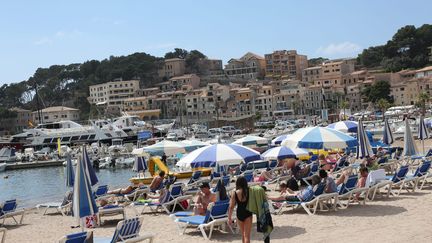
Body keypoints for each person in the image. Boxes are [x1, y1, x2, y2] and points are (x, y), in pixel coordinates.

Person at [228, 176, 253, 243]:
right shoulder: (249, 190)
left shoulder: (235, 192)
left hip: (239, 213)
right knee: (247, 236)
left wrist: (229, 217)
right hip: (248, 212)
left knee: (243, 235)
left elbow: (231, 206)